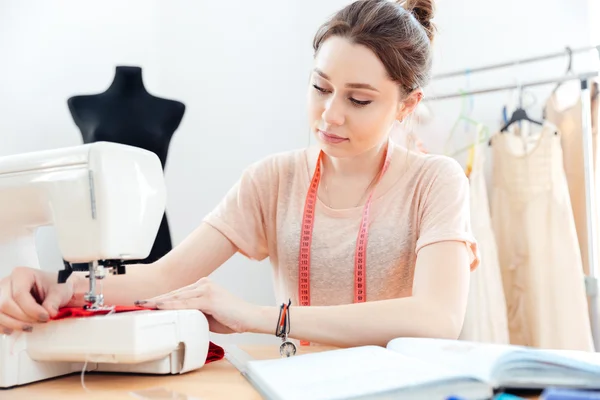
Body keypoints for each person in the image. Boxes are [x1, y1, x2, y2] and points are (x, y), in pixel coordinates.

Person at [0, 0, 479, 348]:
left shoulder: (436, 182)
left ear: (407, 105)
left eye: (358, 99)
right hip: (299, 388)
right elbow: (164, 276)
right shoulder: (273, 180)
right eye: (319, 87)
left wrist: (255, 317)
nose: (329, 115)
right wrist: (56, 286)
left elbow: (436, 317)